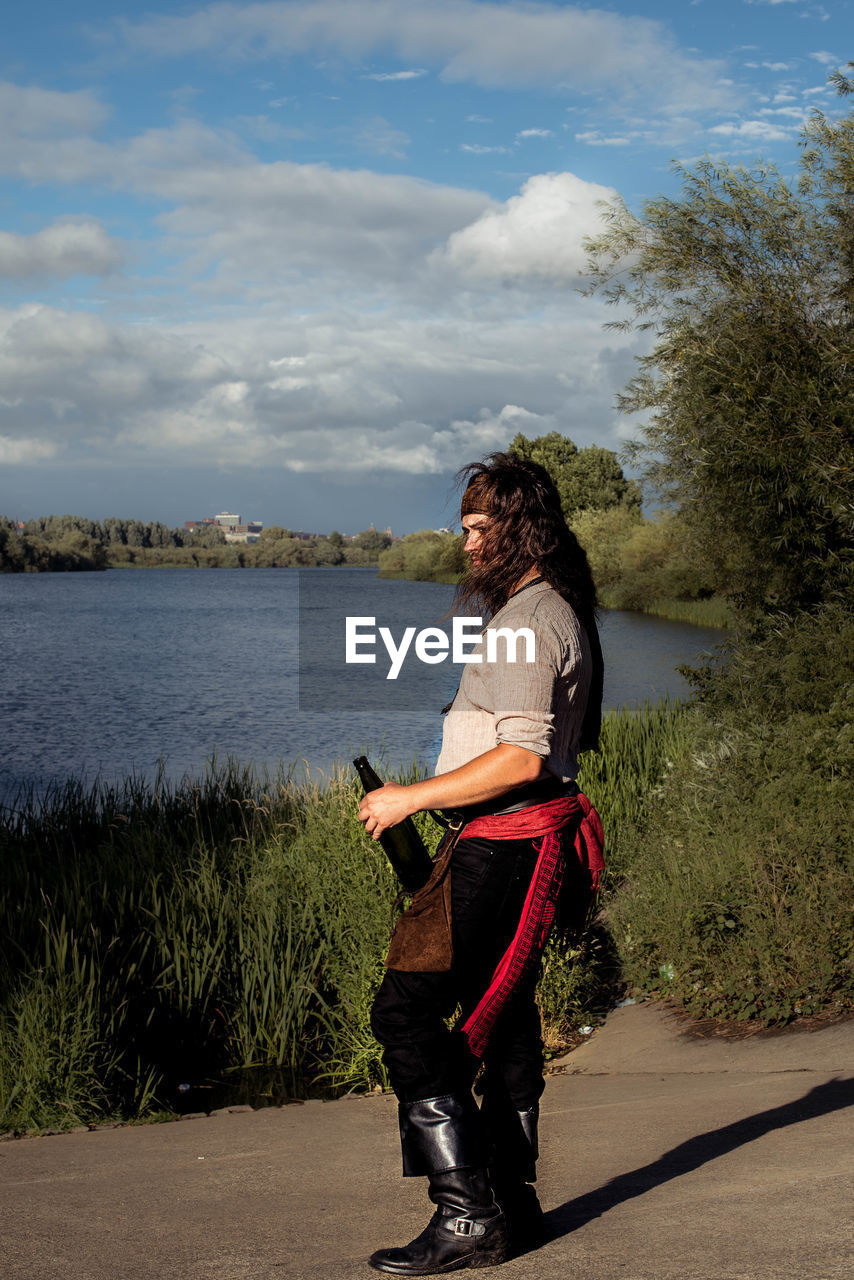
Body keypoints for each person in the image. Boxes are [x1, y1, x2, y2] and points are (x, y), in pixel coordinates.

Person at [358, 453, 604, 1275]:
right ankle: (515, 1204)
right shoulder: (548, 606)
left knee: (403, 1011)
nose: (465, 544)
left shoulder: (533, 618)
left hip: (502, 842)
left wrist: (410, 799)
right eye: (464, 526)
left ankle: (466, 1215)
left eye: (477, 527)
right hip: (513, 842)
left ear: (519, 526)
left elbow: (522, 758)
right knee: (505, 1021)